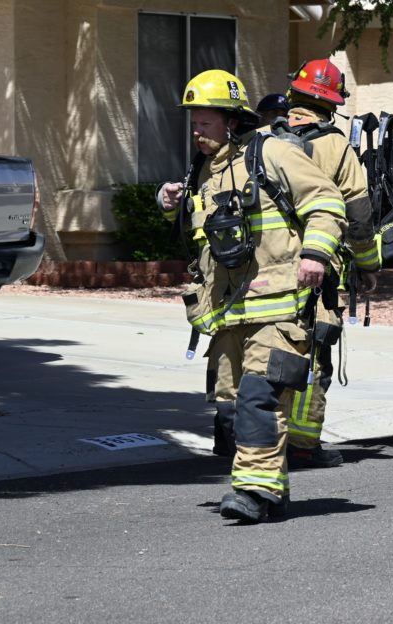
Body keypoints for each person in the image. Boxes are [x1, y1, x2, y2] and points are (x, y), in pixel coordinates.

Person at [158, 69, 347, 522]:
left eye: (205, 122)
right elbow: (203, 236)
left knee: (259, 399)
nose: (197, 131)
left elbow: (327, 202)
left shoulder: (273, 153)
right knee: (229, 411)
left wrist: (315, 254)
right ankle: (272, 491)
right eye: (194, 123)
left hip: (279, 306)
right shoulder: (204, 171)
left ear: (231, 120)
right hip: (228, 312)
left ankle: (254, 492)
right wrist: (169, 204)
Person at [277, 58, 381, 469]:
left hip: (265, 271)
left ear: (293, 95)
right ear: (332, 104)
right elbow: (359, 216)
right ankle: (302, 445)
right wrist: (368, 265)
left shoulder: (264, 140)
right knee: (312, 353)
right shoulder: (337, 147)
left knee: (264, 349)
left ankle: (248, 437)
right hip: (317, 271)